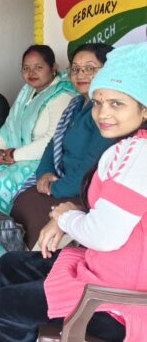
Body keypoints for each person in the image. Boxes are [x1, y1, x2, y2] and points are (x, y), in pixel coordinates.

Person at [0, 42, 147, 342]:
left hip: (120, 300)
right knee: (14, 264)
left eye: (117, 104)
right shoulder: (132, 146)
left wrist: (62, 216)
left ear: (144, 107)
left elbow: (103, 235)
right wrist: (68, 209)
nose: (103, 113)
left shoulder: (141, 158)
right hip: (107, 271)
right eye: (100, 101)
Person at [11, 43, 115, 249]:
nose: (80, 74)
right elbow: (53, 143)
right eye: (75, 69)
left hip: (85, 188)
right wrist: (45, 173)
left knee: (36, 207)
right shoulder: (76, 105)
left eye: (90, 68)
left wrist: (57, 187)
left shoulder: (108, 111)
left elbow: (92, 162)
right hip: (62, 180)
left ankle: (46, 267)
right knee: (26, 199)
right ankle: (28, 262)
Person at [0, 45, 76, 214]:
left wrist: (14, 155)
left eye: (39, 67)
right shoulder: (27, 92)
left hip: (40, 160)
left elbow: (52, 139)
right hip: (14, 154)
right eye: (26, 68)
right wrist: (0, 150)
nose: (31, 73)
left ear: (53, 68)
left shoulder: (62, 95)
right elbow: (8, 126)